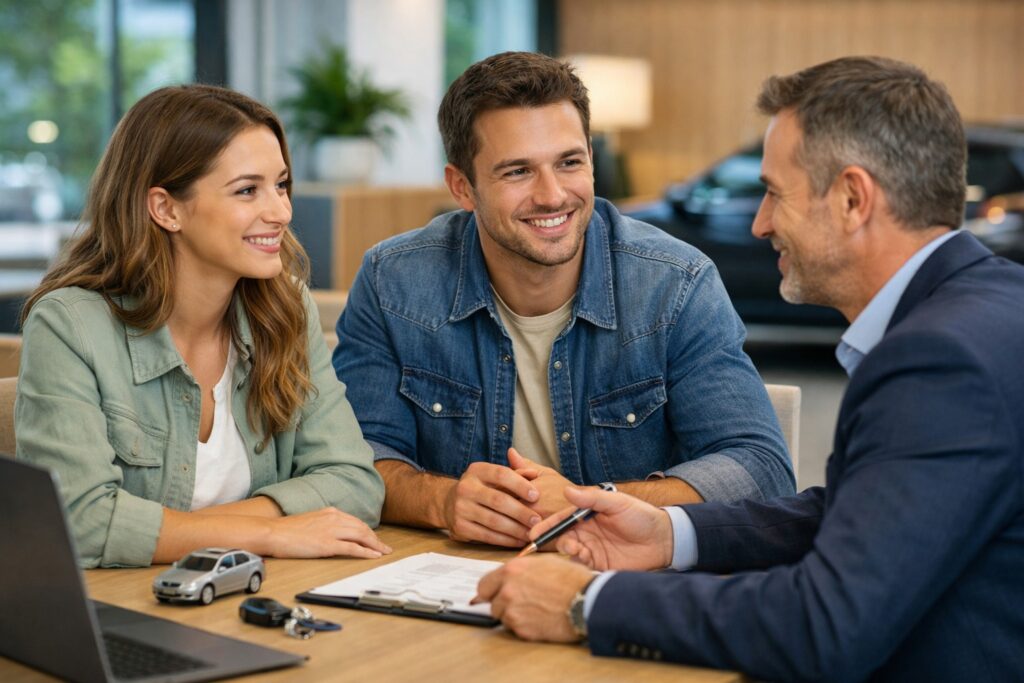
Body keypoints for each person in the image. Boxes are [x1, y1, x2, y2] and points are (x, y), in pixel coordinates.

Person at [475, 56, 1024, 681]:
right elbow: (863, 510)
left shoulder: (940, 362)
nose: (760, 223)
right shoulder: (993, 305)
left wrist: (585, 603)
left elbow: (823, 626)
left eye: (773, 192)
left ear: (852, 198)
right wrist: (671, 533)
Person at [333, 51, 793, 549]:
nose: (552, 196)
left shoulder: (675, 283)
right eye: (517, 172)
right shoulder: (392, 282)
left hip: (621, 583)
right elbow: (356, 459)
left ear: (591, 161)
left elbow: (759, 468)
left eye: (569, 162)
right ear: (462, 187)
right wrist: (440, 501)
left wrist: (586, 501)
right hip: (449, 575)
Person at [16, 84, 388, 569]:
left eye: (281, 185)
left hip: (251, 597)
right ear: (166, 208)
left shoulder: (286, 309)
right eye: (247, 190)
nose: (281, 212)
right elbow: (78, 522)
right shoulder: (70, 327)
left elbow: (355, 481)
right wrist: (270, 532)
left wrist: (217, 531)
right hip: (123, 614)